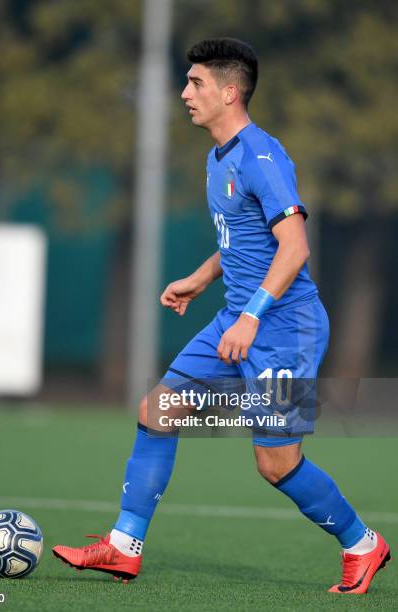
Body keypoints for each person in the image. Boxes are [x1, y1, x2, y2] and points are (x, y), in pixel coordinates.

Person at [53, 38, 390, 594]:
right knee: (158, 409)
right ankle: (123, 546)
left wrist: (252, 317)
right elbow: (245, 241)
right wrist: (201, 277)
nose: (185, 93)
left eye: (196, 83)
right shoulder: (217, 157)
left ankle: (362, 544)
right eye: (186, 82)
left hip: (286, 332)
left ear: (229, 92)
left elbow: (294, 247)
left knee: (277, 465)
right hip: (236, 321)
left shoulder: (261, 156)